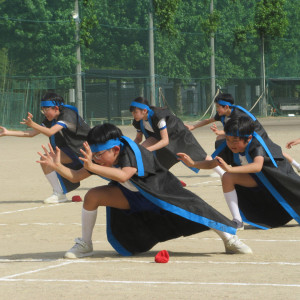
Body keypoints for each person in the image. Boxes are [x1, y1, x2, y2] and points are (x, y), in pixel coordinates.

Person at [37, 123, 252, 258]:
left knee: (195, 209)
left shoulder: (130, 150)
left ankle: (229, 239)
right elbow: (76, 177)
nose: (96, 158)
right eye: (94, 154)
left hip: (161, 192)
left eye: (100, 154)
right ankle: (85, 243)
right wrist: (58, 167)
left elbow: (123, 175)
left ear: (115, 149)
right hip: (131, 197)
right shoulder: (100, 157)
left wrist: (93, 166)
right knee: (92, 196)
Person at [178, 116, 300, 230]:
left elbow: (257, 166)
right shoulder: (229, 146)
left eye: (235, 140)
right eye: (228, 139)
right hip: (258, 181)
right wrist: (193, 163)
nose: (231, 144)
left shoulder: (257, 145)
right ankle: (237, 221)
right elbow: (213, 163)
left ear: (249, 138)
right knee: (227, 177)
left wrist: (230, 169)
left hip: (275, 180)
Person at [0, 92, 90, 204]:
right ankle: (59, 193)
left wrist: (33, 124)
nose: (44, 113)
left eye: (45, 110)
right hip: (73, 151)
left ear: (56, 108)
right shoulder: (50, 119)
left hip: (88, 151)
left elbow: (50, 132)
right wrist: (8, 132)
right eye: (42, 110)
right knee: (46, 160)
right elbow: (32, 133)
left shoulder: (68, 114)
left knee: (111, 174)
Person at [185, 92, 300, 172]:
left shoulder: (239, 115)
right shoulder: (223, 113)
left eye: (218, 107)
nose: (217, 110)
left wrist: (221, 133)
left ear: (226, 107)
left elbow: (243, 130)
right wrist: (193, 127)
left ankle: (297, 165)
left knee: (272, 152)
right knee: (219, 141)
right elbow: (209, 120)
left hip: (256, 134)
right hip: (241, 135)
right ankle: (234, 161)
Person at [129, 97, 225, 180]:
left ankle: (223, 173)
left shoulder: (158, 117)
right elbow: (138, 139)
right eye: (132, 112)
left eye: (135, 112)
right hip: (159, 137)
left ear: (144, 111)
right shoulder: (138, 121)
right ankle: (149, 177)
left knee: (199, 155)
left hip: (178, 133)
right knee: (145, 154)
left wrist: (147, 150)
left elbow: (165, 141)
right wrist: (130, 148)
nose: (133, 114)